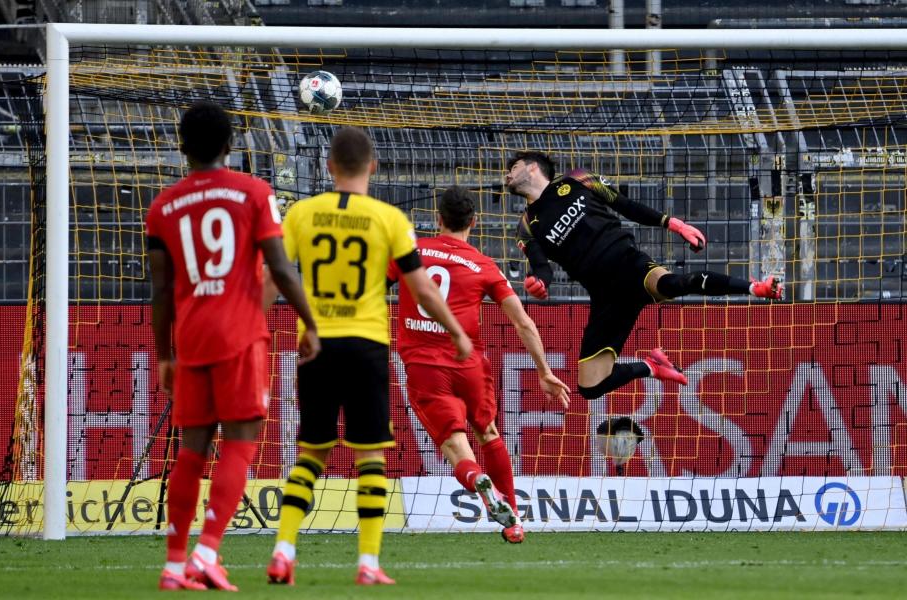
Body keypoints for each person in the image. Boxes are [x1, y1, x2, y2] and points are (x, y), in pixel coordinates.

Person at [267, 126, 473, 586]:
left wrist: (252, 325)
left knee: (311, 453)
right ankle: (368, 563)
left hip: (315, 343)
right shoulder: (389, 219)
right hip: (366, 346)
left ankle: (283, 550)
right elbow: (420, 287)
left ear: (328, 167)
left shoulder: (302, 213)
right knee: (371, 457)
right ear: (373, 168)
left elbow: (276, 277)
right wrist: (457, 330)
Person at [146, 101, 320, 592]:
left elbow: (160, 292)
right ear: (231, 145)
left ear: (182, 147)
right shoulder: (254, 192)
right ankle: (207, 553)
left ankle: (174, 565)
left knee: (191, 453)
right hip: (240, 333)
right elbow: (281, 269)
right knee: (241, 445)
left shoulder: (162, 207)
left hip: (192, 338)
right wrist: (311, 323)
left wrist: (164, 355)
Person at [506, 151, 783, 403]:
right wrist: (539, 282)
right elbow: (541, 267)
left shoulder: (578, 178)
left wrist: (675, 224)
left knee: (673, 284)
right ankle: (651, 367)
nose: (507, 174)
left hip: (628, 265)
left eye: (513, 167)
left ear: (532, 168)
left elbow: (625, 204)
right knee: (590, 387)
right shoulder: (526, 227)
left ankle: (754, 288)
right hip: (605, 297)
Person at [388, 187, 570, 543]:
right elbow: (523, 322)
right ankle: (514, 518)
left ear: (438, 219)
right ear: (474, 222)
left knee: (455, 444)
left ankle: (476, 480)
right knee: (488, 433)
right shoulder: (485, 266)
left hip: (426, 365)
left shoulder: (409, 252)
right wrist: (545, 371)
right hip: (469, 363)